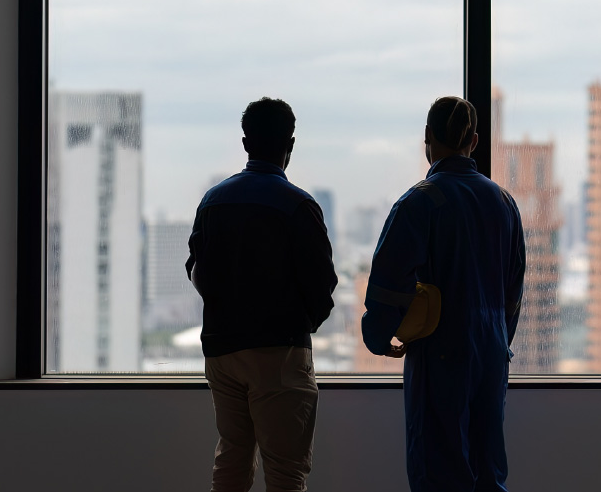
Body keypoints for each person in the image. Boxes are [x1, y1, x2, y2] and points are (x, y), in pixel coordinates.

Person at [361, 96, 525, 492]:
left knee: (437, 468)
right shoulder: (504, 203)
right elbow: (513, 290)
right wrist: (499, 339)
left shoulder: (419, 202)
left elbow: (387, 282)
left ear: (427, 138)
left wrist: (381, 338)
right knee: (488, 467)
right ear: (474, 140)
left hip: (440, 352)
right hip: (490, 352)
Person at [186, 97, 338, 492]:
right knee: (286, 472)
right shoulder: (298, 205)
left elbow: (195, 269)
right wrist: (299, 324)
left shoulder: (213, 201)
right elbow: (322, 286)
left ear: (245, 142)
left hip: (222, 350)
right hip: (279, 352)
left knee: (232, 456)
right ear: (290, 143)